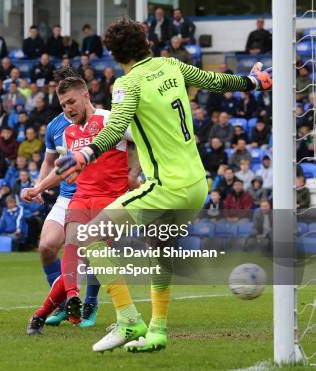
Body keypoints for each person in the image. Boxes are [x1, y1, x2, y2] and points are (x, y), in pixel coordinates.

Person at [56, 18, 272, 353]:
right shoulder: (171, 66)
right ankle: (157, 331)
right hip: (197, 184)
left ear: (114, 53)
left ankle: (128, 319)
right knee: (159, 250)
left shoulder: (128, 85)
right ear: (145, 41)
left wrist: (85, 153)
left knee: (87, 237)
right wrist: (253, 82)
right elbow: (215, 81)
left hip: (165, 187)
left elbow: (116, 129)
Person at [23, 68, 137, 334]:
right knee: (73, 250)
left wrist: (134, 173)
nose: (68, 109)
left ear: (85, 95)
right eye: (63, 105)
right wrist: (39, 186)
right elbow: (63, 167)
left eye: (71, 102)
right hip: (80, 198)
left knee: (87, 254)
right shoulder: (70, 132)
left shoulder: (111, 119)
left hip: (109, 202)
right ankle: (70, 299)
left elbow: (144, 142)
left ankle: (46, 312)